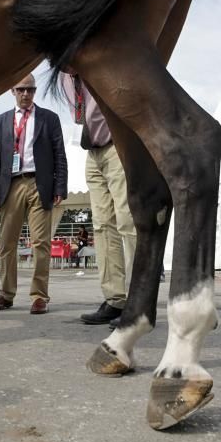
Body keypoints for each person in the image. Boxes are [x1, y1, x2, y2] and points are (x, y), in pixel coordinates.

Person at [0, 73, 67, 314]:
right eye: (21, 89)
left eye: (30, 89)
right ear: (12, 90)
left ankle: (39, 296)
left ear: (34, 91)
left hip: (39, 184)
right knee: (7, 243)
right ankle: (6, 294)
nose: (25, 94)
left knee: (41, 242)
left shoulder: (49, 118)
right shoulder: (1, 121)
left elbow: (59, 154)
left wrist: (60, 187)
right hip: (10, 185)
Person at [62, 72, 137, 325]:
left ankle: (140, 299)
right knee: (103, 226)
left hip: (117, 143)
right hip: (92, 150)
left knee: (127, 221)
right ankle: (115, 299)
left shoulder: (97, 58)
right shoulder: (64, 77)